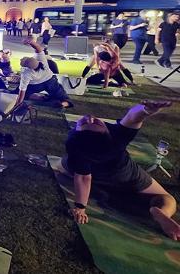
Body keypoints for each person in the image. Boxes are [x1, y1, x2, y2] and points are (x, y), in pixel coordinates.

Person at [63, 101, 179, 241]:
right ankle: (162, 212)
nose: (90, 117)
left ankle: (104, 189)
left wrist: (80, 207)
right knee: (166, 198)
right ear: (107, 132)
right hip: (127, 175)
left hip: (97, 176)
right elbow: (133, 117)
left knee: (66, 163)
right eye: (95, 123)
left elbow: (83, 177)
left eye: (86, 122)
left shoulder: (75, 143)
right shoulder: (116, 137)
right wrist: (145, 110)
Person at [14, 39, 71, 109]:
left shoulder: (26, 73)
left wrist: (18, 103)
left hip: (36, 85)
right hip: (50, 81)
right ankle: (63, 103)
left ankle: (40, 98)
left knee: (18, 93)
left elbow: (22, 90)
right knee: (63, 96)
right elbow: (38, 48)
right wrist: (31, 42)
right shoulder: (41, 60)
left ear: (26, 67)